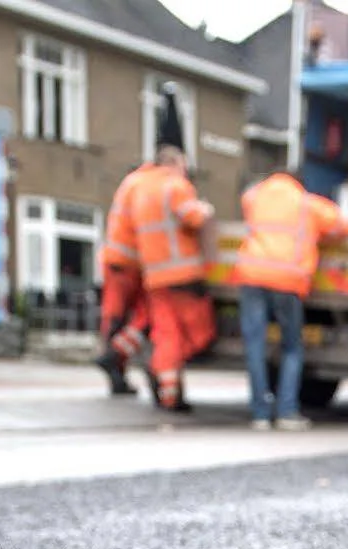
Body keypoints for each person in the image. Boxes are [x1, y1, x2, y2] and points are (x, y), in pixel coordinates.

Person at [233, 169, 348, 431]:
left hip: (251, 275)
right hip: (288, 280)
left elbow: (246, 200)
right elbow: (343, 226)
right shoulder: (307, 203)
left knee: (255, 346)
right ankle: (286, 411)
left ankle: (260, 414)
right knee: (291, 348)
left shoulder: (255, 197)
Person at [129, 86, 214, 413]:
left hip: (155, 277)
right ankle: (170, 382)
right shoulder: (176, 185)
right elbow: (193, 217)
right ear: (177, 162)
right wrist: (205, 209)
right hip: (184, 276)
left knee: (166, 335)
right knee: (199, 332)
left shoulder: (143, 188)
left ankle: (167, 392)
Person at [95, 160, 154, 397]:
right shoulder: (147, 185)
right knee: (145, 318)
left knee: (115, 319)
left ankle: (115, 374)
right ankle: (113, 358)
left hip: (117, 262)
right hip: (134, 264)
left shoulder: (128, 185)